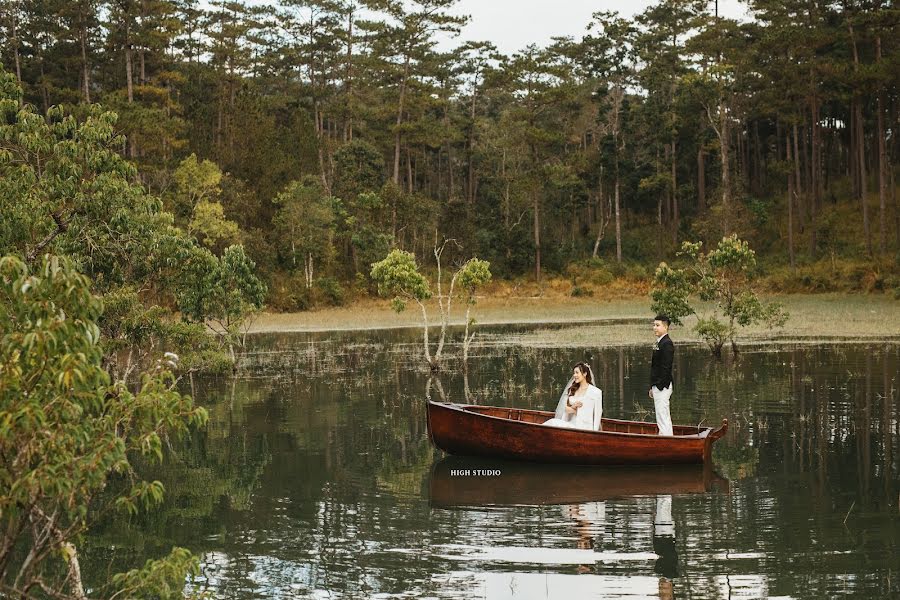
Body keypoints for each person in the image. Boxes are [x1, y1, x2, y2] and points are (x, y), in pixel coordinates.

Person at [543, 362, 603, 431]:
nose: (574, 375)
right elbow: (566, 410)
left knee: (553, 422)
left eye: (577, 373)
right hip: (571, 423)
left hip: (585, 427)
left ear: (585, 374)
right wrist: (572, 407)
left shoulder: (596, 392)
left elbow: (597, 415)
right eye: (574, 373)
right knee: (553, 422)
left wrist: (594, 433)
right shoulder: (573, 390)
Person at [649, 314, 675, 436]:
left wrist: (659, 386)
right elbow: (655, 366)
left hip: (663, 386)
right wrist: (652, 386)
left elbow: (666, 367)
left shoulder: (667, 343)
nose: (654, 328)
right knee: (661, 415)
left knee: (663, 415)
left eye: (657, 325)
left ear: (665, 327)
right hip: (657, 385)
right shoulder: (659, 342)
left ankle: (666, 439)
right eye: (654, 325)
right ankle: (665, 437)